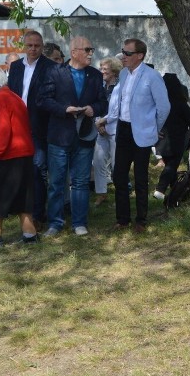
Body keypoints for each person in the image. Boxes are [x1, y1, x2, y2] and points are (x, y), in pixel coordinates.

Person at [37, 36, 107, 236]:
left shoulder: (94, 75)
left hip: (84, 136)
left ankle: (79, 222)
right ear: (74, 51)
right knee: (57, 181)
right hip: (59, 135)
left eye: (91, 50)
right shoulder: (54, 71)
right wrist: (64, 109)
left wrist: (93, 108)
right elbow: (43, 100)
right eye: (87, 50)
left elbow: (103, 102)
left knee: (81, 181)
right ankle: (55, 223)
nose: (90, 54)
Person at [110, 38, 170, 233]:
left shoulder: (152, 76)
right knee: (119, 174)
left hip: (143, 132)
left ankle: (141, 220)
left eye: (127, 53)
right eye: (122, 52)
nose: (123, 57)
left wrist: (154, 127)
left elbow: (164, 107)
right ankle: (123, 218)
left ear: (139, 56)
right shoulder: (123, 75)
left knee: (141, 177)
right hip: (124, 129)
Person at [0, 67, 39, 247]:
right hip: (24, 153)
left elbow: (2, 131)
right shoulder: (15, 97)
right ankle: (29, 234)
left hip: (9, 155)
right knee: (23, 197)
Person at [8, 30, 58, 228]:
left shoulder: (51, 67)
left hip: (39, 126)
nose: (33, 49)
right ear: (24, 46)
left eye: (37, 45)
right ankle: (21, 208)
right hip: (17, 125)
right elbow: (12, 93)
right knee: (20, 171)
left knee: (38, 171)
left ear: (42, 45)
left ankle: (37, 214)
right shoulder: (15, 67)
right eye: (29, 45)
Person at [152, 73, 190, 200]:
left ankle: (175, 193)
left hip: (161, 139)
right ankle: (160, 189)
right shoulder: (181, 104)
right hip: (177, 140)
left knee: (170, 166)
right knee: (171, 166)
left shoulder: (158, 103)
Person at [92, 56, 121, 206]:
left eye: (105, 70)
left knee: (117, 164)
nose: (102, 72)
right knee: (98, 161)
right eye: (101, 69)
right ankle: (101, 193)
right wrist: (98, 122)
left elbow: (117, 111)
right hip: (100, 127)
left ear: (114, 72)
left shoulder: (120, 87)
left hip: (115, 128)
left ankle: (120, 194)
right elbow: (96, 105)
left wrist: (102, 121)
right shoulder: (100, 86)